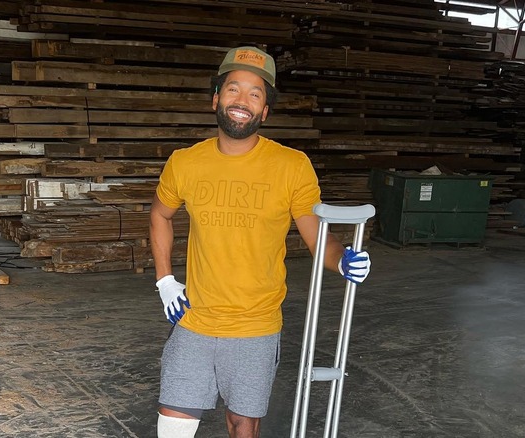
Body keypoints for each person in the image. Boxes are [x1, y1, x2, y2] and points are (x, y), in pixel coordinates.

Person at [149, 46, 371, 438]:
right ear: (216, 98)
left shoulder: (291, 166)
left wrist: (342, 260)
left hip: (255, 326)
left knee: (242, 427)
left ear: (265, 111)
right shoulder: (185, 162)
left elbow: (317, 235)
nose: (242, 101)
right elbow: (160, 214)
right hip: (194, 319)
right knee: (172, 428)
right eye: (233, 89)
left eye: (255, 94)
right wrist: (165, 280)